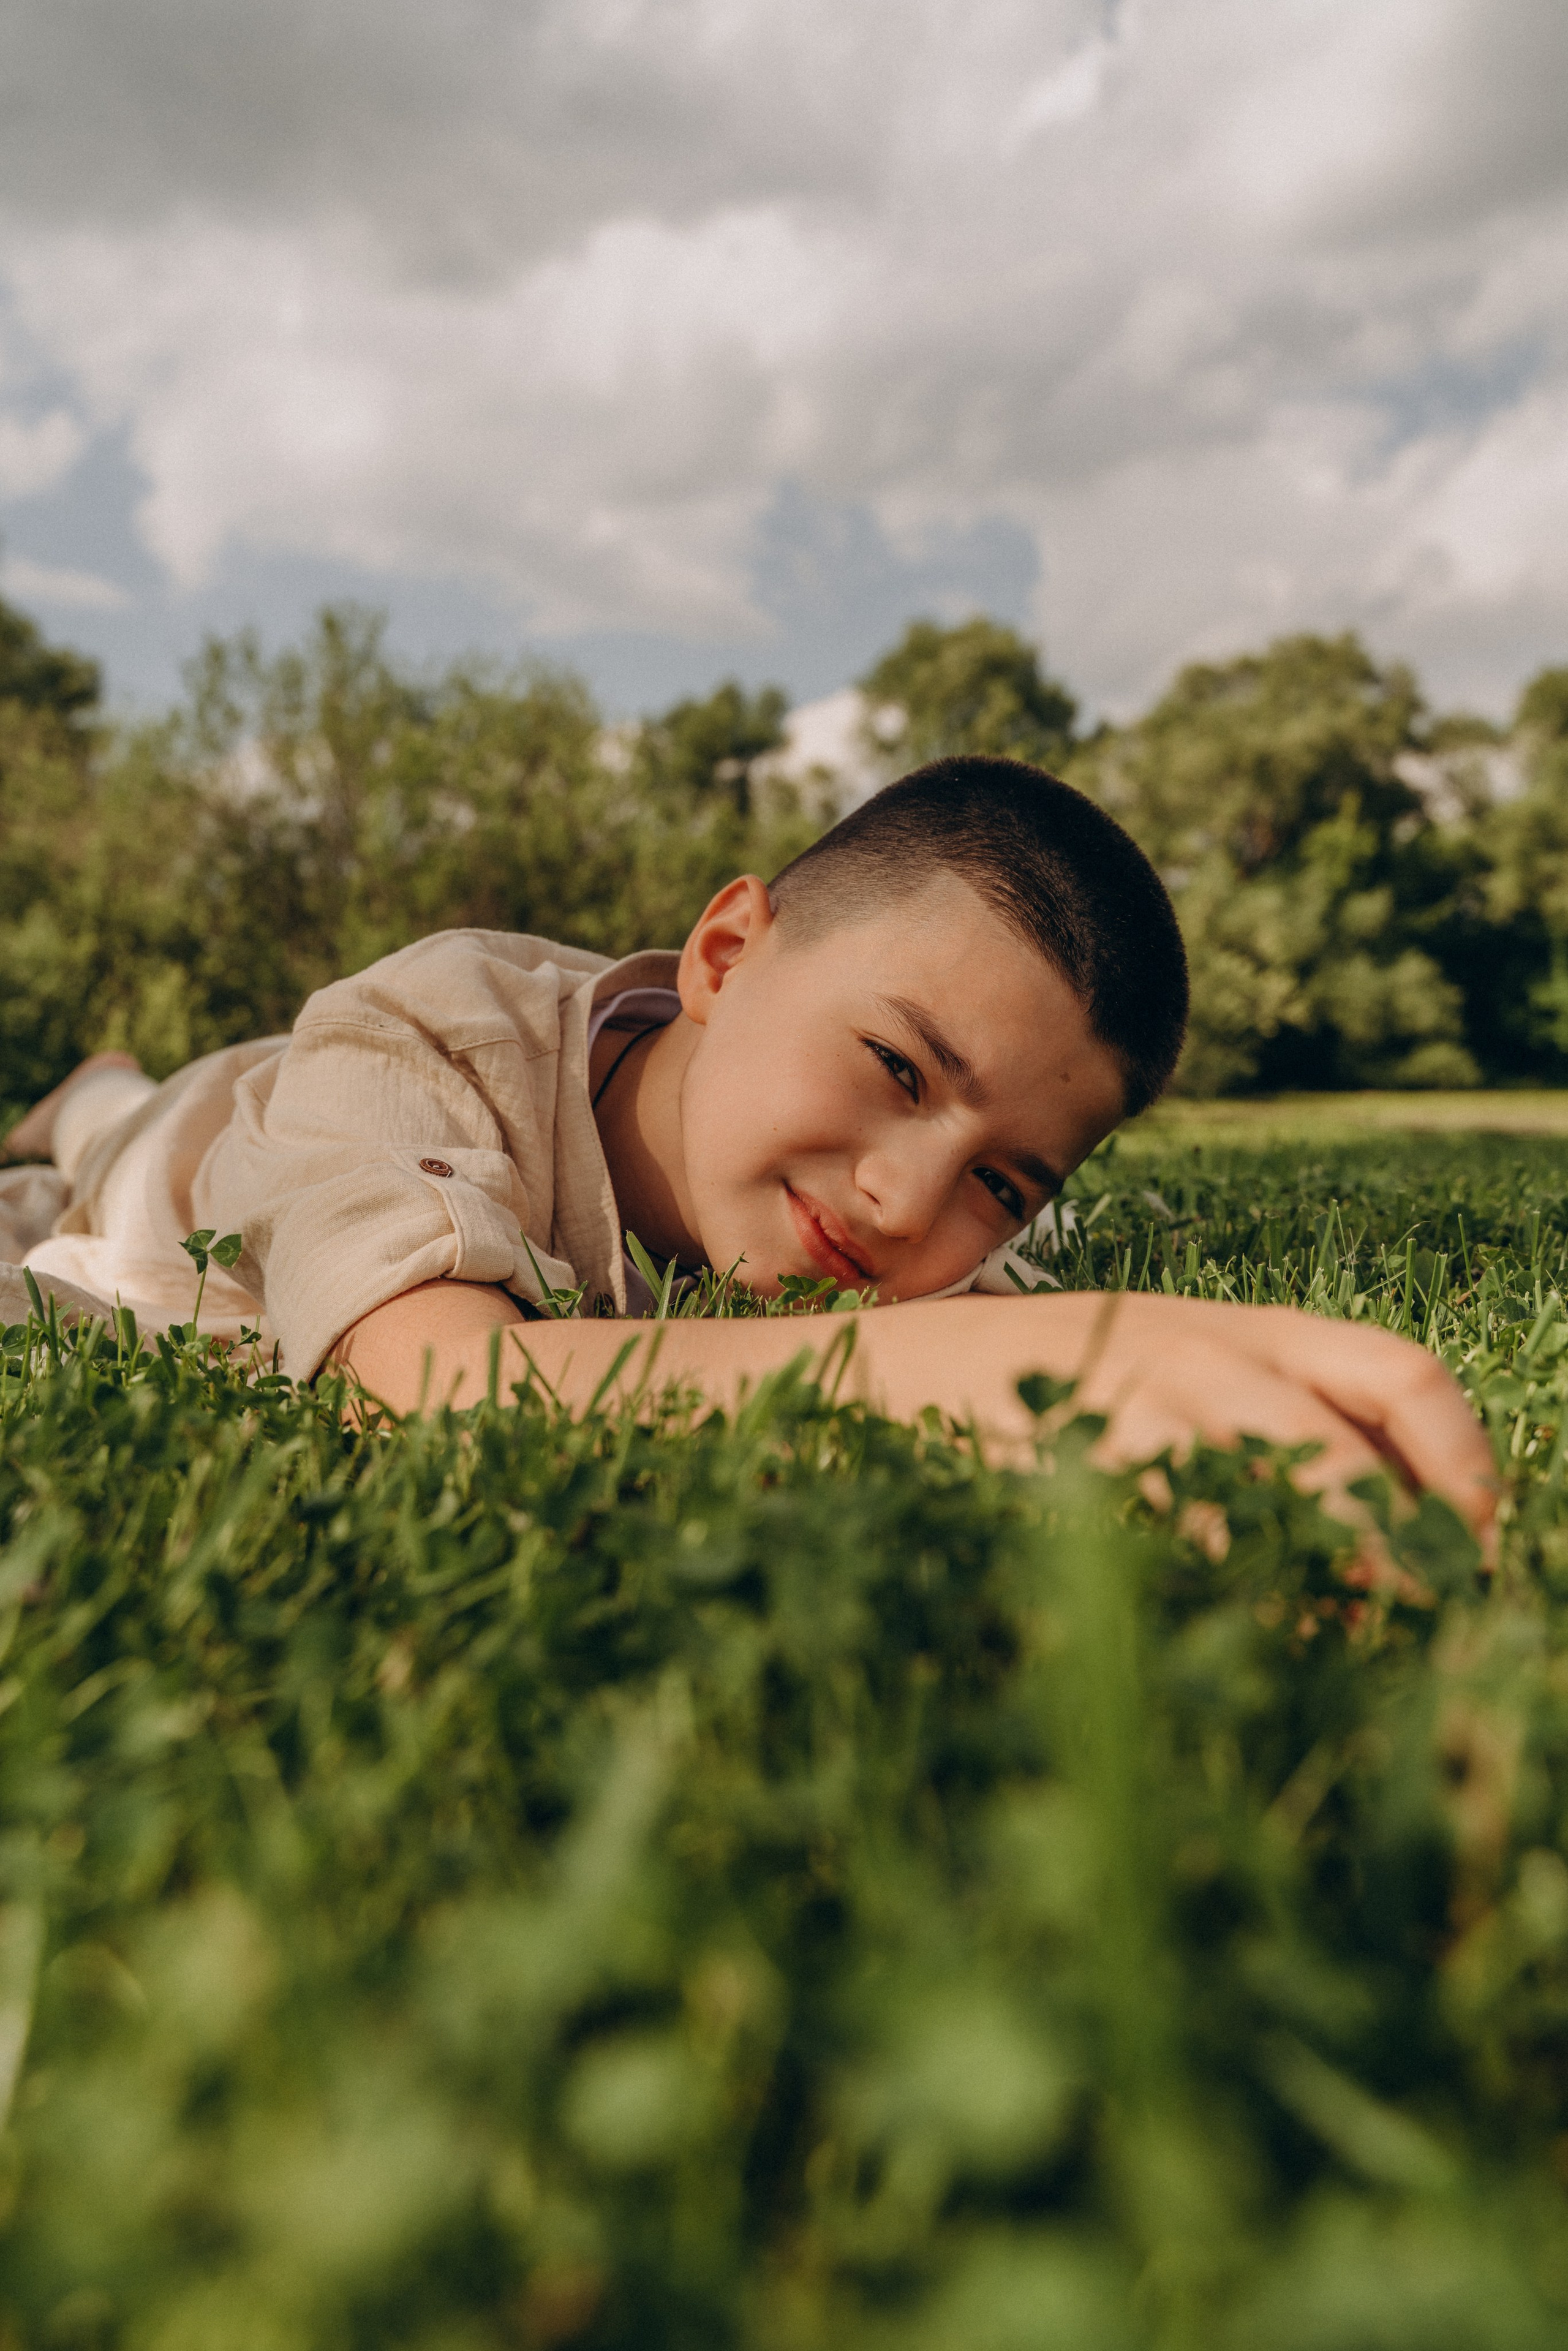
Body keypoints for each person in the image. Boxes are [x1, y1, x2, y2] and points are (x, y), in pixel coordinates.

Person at [0, 755, 1495, 1535]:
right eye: (899, 1066)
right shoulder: (425, 1028)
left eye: (1003, 1177)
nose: (907, 1202)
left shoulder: (920, 1229)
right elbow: (440, 1392)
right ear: (722, 951)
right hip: (220, 1129)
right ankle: (89, 1086)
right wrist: (1080, 1360)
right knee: (105, 1140)